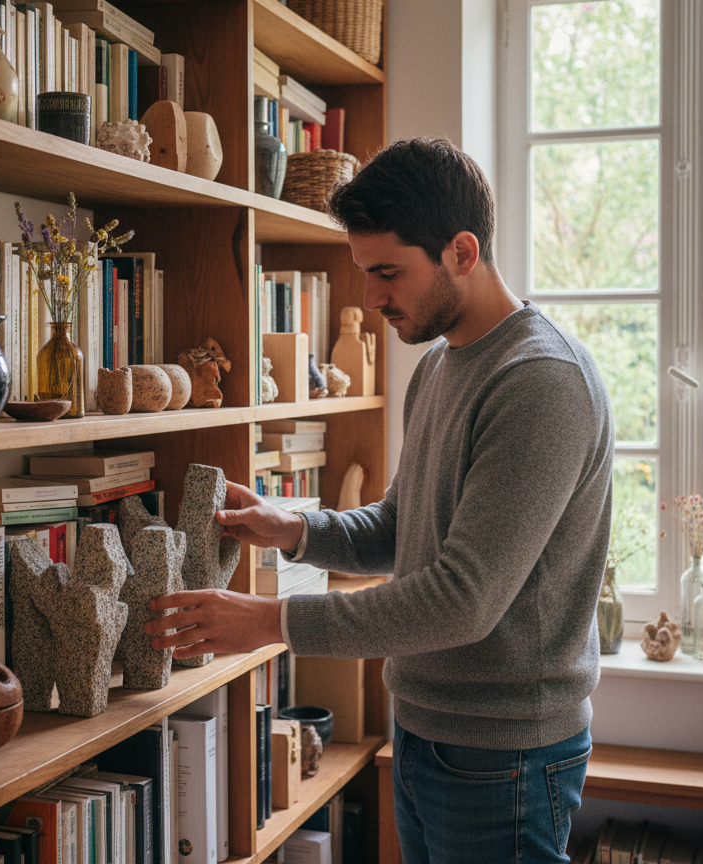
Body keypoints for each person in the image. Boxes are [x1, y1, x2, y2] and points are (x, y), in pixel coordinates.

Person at [146, 137, 614, 862]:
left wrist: (271, 621)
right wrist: (293, 529)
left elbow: (463, 598)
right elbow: (402, 528)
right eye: (364, 273)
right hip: (424, 731)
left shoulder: (540, 382)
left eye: (388, 272)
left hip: (506, 757)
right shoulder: (439, 366)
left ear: (463, 251)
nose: (369, 297)